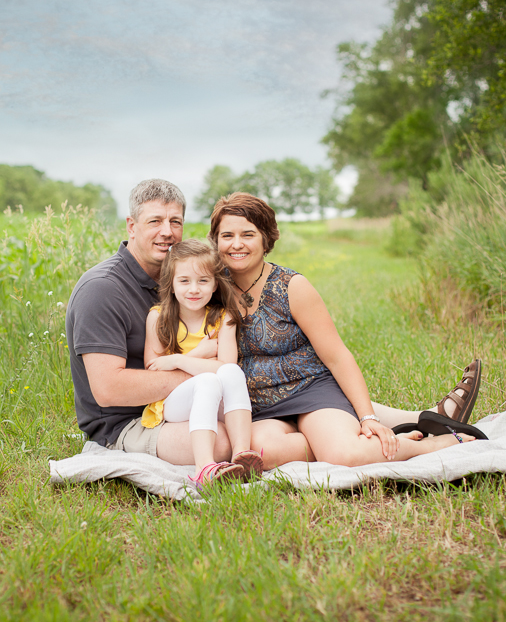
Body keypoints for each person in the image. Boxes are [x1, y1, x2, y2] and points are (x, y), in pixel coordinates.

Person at [209, 192, 484, 470]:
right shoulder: (211, 288)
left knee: (344, 455)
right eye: (227, 236)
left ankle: (428, 444)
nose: (236, 244)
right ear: (216, 241)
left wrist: (368, 418)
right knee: (259, 452)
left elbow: (337, 356)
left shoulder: (291, 286)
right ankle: (330, 439)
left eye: (248, 234)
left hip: (310, 391)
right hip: (259, 408)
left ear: (265, 239)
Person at [66, 179, 236, 466]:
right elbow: (109, 389)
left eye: (175, 222)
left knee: (251, 428)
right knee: (219, 442)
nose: (167, 232)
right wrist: (206, 370)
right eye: (155, 221)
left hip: (181, 404)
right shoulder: (103, 289)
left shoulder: (185, 280)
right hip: (127, 423)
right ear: (132, 226)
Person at [142, 239, 261, 487]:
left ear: (215, 283)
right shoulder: (158, 317)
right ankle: (203, 468)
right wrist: (197, 354)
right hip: (174, 401)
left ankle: (241, 454)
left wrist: (175, 360)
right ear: (171, 285)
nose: (193, 289)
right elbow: (153, 368)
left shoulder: (222, 317)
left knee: (230, 373)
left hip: (216, 397)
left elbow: (225, 368)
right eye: (184, 281)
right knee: (207, 380)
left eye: (203, 281)